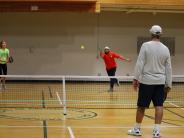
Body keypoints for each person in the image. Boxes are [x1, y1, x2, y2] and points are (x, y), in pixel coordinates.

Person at [128, 25, 172, 138]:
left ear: (151, 33)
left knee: (141, 106)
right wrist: (168, 84)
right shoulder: (165, 48)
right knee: (159, 106)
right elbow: (169, 68)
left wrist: (135, 78)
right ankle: (156, 132)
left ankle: (137, 129)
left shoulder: (145, 46)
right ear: (160, 34)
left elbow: (140, 63)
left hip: (147, 82)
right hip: (160, 82)